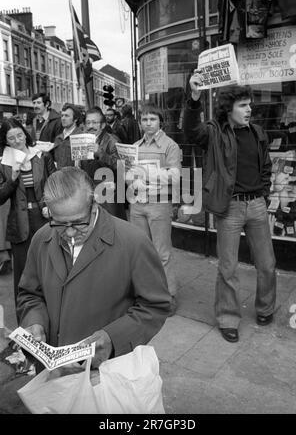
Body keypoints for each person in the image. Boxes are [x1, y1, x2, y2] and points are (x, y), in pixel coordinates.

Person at [16, 167, 171, 368]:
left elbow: (155, 306)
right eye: (60, 223)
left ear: (94, 205)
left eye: (79, 222)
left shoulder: (134, 242)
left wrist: (112, 338)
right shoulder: (42, 238)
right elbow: (30, 294)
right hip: (52, 374)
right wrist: (34, 322)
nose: (70, 233)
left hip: (106, 374)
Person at [183, 70, 277, 343]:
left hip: (257, 205)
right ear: (229, 109)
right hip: (231, 208)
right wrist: (194, 97)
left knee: (267, 264)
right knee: (228, 267)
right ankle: (228, 318)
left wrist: (264, 194)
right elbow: (191, 131)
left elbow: (266, 167)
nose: (249, 109)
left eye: (250, 104)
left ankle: (265, 307)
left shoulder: (258, 133)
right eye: (243, 105)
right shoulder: (214, 132)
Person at [127, 105, 181, 312]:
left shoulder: (170, 146)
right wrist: (133, 181)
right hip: (138, 203)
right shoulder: (134, 146)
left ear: (160, 121)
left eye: (152, 119)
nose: (148, 123)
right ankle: (146, 295)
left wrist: (146, 174)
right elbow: (127, 174)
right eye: (144, 119)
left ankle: (169, 296)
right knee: (140, 251)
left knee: (162, 252)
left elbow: (175, 175)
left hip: (159, 203)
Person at [0, 119, 56, 303]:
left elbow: (52, 183)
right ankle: (25, 317)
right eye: (11, 138)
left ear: (25, 133)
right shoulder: (3, 163)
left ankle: (51, 309)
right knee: (24, 274)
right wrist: (13, 179)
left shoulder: (41, 155)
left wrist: (48, 204)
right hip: (19, 223)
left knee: (49, 266)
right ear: (5, 140)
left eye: (19, 135)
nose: (17, 140)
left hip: (43, 218)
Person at [81, 107, 126, 220]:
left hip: (108, 195)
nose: (91, 126)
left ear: (103, 125)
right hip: (89, 192)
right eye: (88, 122)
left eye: (95, 122)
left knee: (109, 228)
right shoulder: (82, 141)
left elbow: (120, 166)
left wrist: (99, 152)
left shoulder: (112, 140)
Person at [51, 103, 84, 169]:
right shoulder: (58, 138)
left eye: (67, 116)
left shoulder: (81, 137)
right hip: (59, 176)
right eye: (62, 115)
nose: (63, 118)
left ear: (75, 119)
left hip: (74, 177)